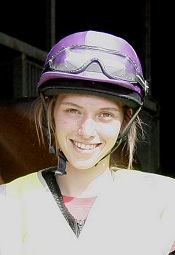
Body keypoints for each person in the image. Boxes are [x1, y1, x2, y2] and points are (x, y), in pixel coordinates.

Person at [0, 30, 175, 255]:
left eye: (105, 114)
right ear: (50, 112)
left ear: (124, 121)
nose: (86, 130)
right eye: (72, 110)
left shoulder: (166, 202)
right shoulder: (6, 202)